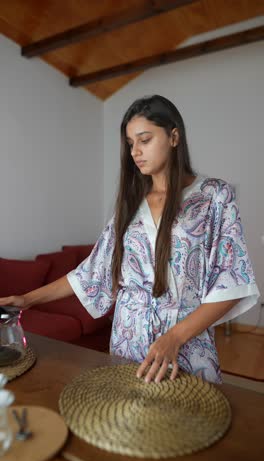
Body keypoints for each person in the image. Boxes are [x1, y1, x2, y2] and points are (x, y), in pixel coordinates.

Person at [0, 95, 259, 385]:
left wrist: (173, 338)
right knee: (125, 423)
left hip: (185, 343)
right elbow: (90, 272)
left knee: (194, 422)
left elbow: (232, 282)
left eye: (144, 140)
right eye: (130, 143)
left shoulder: (214, 196)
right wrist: (27, 299)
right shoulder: (131, 205)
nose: (135, 151)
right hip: (128, 341)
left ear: (174, 136)